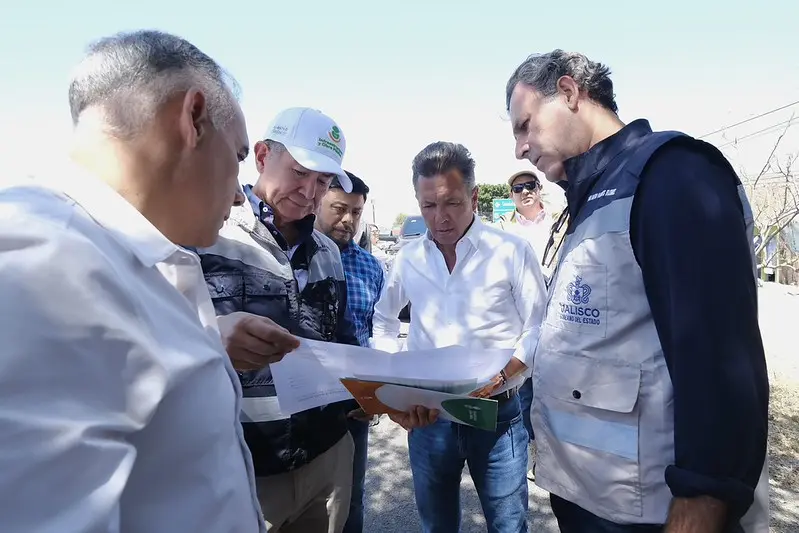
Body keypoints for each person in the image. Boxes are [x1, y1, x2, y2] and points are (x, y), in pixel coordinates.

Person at [0, 30, 299, 532]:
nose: (239, 195)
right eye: (238, 156)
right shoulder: (43, 265)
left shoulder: (114, 254)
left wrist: (209, 339)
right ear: (193, 118)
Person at [506, 49, 769, 532]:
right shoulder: (590, 199)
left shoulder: (670, 176)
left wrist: (702, 500)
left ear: (569, 92)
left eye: (525, 126)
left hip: (651, 513)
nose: (520, 148)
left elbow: (717, 360)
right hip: (594, 501)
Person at [196, 106, 359, 533]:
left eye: (322, 181)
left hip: (326, 460)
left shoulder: (329, 253)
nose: (309, 192)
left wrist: (385, 391)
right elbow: (158, 336)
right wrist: (210, 336)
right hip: (242, 467)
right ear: (263, 156)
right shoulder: (208, 231)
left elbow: (342, 343)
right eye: (300, 172)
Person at [371, 141, 548, 533]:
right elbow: (383, 320)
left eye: (451, 203)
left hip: (497, 415)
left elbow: (538, 326)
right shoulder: (409, 258)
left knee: (508, 525)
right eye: (428, 206)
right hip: (429, 416)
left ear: (474, 196)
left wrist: (504, 374)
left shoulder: (510, 252)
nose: (440, 217)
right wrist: (394, 383)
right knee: (437, 525)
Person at [315, 171, 385, 533]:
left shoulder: (372, 267)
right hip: (304, 402)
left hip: (354, 403)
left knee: (351, 497)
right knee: (304, 502)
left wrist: (376, 395)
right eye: (339, 208)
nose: (348, 220)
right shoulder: (295, 256)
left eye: (356, 212)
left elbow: (375, 334)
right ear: (318, 202)